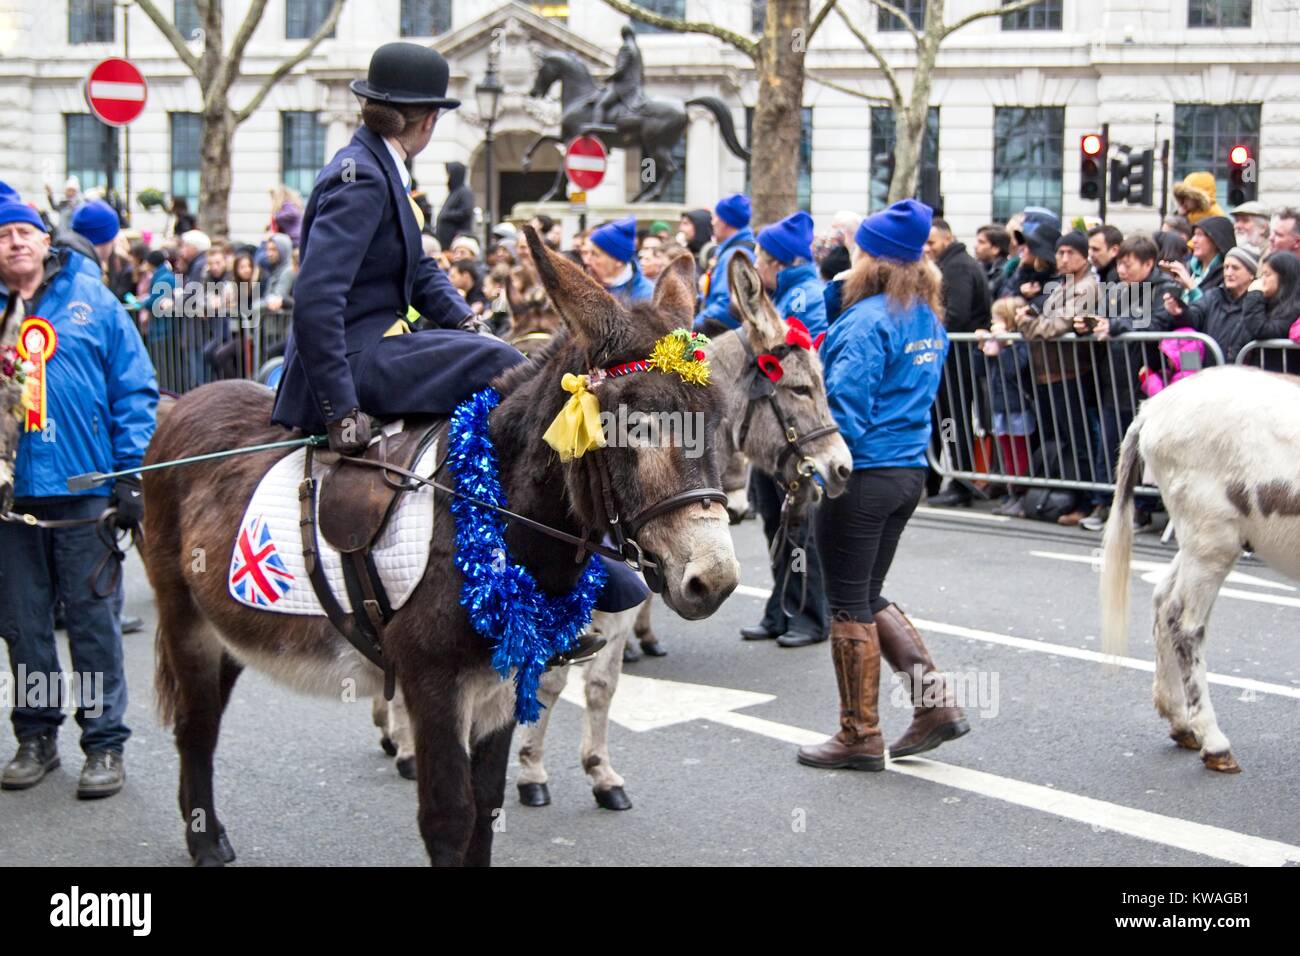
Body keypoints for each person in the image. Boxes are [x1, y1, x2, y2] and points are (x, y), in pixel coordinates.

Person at [797, 200, 968, 771]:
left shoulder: (869, 321)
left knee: (847, 601)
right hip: (906, 473)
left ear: (870, 259)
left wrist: (811, 470)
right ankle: (934, 704)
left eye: (858, 249)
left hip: (863, 476)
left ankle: (859, 734)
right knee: (868, 592)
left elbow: (844, 407)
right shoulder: (924, 314)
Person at [0, 195, 158, 798]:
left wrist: (129, 475)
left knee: (93, 623)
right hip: (10, 498)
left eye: (25, 232)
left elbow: (134, 390)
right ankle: (36, 736)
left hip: (83, 490)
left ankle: (103, 744)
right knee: (25, 625)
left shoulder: (94, 303)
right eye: (4, 234)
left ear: (46, 240)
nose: (16, 242)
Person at [742, 210, 830, 648]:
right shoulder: (782, 297)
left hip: (793, 433)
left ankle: (810, 615)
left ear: (778, 262)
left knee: (798, 527)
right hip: (770, 431)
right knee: (776, 524)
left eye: (760, 256)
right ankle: (779, 609)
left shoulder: (804, 300)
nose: (756, 266)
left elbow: (795, 365)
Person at [1007, 229, 1101, 527]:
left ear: (1084, 255)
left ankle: (1084, 502)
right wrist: (1030, 320)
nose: (1062, 258)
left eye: (1070, 252)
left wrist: (1025, 322)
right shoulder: (1060, 286)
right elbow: (1038, 318)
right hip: (1048, 371)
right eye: (1060, 252)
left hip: (1071, 371)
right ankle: (1055, 497)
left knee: (1078, 441)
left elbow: (1051, 327)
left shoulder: (1087, 286)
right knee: (1055, 440)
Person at [925, 217, 991, 507]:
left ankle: (960, 481)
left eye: (932, 242)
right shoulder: (950, 265)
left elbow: (958, 313)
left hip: (956, 359)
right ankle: (939, 479)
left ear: (947, 238)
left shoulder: (958, 267)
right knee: (946, 419)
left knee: (953, 419)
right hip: (949, 356)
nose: (927, 248)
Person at [1163, 245, 1258, 362]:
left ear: (1251, 274)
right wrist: (1180, 312)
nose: (1228, 273)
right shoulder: (1213, 296)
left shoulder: (1257, 303)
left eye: (1235, 268)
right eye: (1226, 267)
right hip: (1210, 372)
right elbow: (1195, 315)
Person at [695, 193, 754, 333]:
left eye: (716, 217)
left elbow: (725, 305)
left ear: (726, 221)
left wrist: (692, 327)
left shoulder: (733, 256)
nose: (712, 222)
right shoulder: (734, 251)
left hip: (722, 337)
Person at [1165, 215, 1234, 304]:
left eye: (1199, 235)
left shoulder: (1226, 275)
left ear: (1216, 239)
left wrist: (1190, 285)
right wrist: (1168, 277)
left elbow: (1213, 312)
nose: (1193, 240)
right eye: (1194, 235)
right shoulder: (1189, 268)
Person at [586, 217, 654, 304]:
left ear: (618, 260)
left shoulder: (646, 296)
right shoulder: (589, 285)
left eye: (595, 254)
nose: (587, 260)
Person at [592, 25, 645, 128]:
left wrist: (608, 79)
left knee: (600, 105)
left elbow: (621, 70)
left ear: (623, 35)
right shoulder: (637, 50)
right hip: (635, 86)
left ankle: (596, 129)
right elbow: (641, 73)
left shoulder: (625, 47)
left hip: (623, 86)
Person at [435, 162, 475, 249]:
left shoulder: (465, 192)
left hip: (455, 240)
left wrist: (446, 215)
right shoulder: (454, 192)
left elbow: (466, 212)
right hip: (445, 241)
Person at [973, 223, 1011, 296]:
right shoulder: (977, 267)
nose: (975, 246)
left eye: (981, 242)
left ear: (996, 248)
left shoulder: (1005, 272)